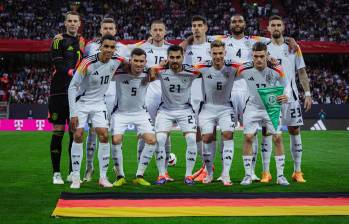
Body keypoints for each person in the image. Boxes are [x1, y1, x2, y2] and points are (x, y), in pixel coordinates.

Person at [68, 35, 125, 189]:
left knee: (104, 135)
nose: (109, 50)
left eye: (112, 47)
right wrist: (73, 112)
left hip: (99, 103)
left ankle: (103, 177)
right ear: (100, 46)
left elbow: (132, 64)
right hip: (83, 103)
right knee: (78, 134)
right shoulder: (87, 62)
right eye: (106, 46)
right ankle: (75, 177)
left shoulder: (117, 60)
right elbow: (72, 87)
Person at [82, 17, 129, 182]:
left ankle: (117, 169)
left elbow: (129, 67)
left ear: (115, 31)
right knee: (93, 132)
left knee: (114, 132)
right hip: (93, 93)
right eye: (105, 28)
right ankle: (89, 168)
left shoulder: (123, 49)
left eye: (111, 28)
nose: (108, 30)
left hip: (114, 92)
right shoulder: (90, 46)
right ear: (101, 30)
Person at [265, 15, 311, 183]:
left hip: (291, 97)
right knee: (269, 133)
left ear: (283, 27)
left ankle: (297, 171)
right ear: (268, 29)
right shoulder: (264, 48)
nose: (276, 28)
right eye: (273, 25)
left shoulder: (293, 47)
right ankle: (266, 172)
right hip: (271, 97)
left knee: (294, 131)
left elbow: (302, 71)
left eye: (278, 25)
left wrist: (307, 93)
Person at [237, 42, 290, 186]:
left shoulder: (276, 69)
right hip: (252, 106)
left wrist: (287, 95)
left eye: (262, 56)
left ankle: (280, 176)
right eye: (256, 56)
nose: (259, 59)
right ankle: (248, 175)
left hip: (271, 106)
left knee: (277, 138)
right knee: (248, 137)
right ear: (252, 56)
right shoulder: (244, 68)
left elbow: (286, 85)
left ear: (267, 55)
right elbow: (229, 75)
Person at [128, 20, 174, 181]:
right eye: (155, 29)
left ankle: (165, 171)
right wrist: (158, 67)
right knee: (144, 133)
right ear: (150, 31)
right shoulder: (142, 48)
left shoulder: (171, 49)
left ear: (165, 31)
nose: (158, 32)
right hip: (147, 97)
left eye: (161, 29)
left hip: (166, 97)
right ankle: (140, 171)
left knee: (166, 134)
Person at [150, 45, 200, 185]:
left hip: (185, 109)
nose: (175, 60)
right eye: (171, 57)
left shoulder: (191, 71)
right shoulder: (162, 70)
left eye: (178, 57)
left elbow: (206, 72)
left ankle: (188, 175)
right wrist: (157, 66)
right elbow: (150, 74)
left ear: (183, 57)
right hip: (165, 109)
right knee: (159, 139)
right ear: (167, 57)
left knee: (191, 139)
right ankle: (161, 175)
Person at [193, 40, 240, 186]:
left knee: (228, 135)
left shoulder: (234, 67)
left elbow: (254, 67)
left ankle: (226, 174)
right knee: (206, 138)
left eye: (220, 53)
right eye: (215, 53)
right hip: (207, 108)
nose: (218, 56)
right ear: (210, 53)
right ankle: (209, 173)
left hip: (226, 107)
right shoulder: (202, 67)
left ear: (225, 53)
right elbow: (183, 71)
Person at [110, 48, 157, 187]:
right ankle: (120, 175)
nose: (138, 64)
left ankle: (139, 175)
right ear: (130, 61)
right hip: (120, 113)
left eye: (141, 61)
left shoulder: (147, 73)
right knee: (116, 139)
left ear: (145, 62)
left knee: (152, 140)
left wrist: (151, 69)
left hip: (141, 113)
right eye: (135, 61)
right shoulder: (119, 73)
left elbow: (161, 67)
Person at [48, 11, 85, 185]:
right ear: (65, 23)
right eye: (69, 21)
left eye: (75, 21)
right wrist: (72, 72)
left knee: (74, 133)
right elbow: (58, 63)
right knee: (58, 131)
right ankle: (56, 173)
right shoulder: (58, 40)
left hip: (76, 92)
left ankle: (72, 171)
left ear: (79, 23)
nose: (72, 23)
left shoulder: (83, 41)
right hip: (58, 91)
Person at [181, 15, 212, 182]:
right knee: (197, 131)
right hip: (191, 90)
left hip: (208, 89)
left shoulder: (212, 46)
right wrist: (186, 41)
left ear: (206, 27)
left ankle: (210, 167)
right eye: (194, 26)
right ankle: (205, 166)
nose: (197, 28)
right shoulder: (186, 48)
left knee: (209, 130)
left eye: (200, 25)